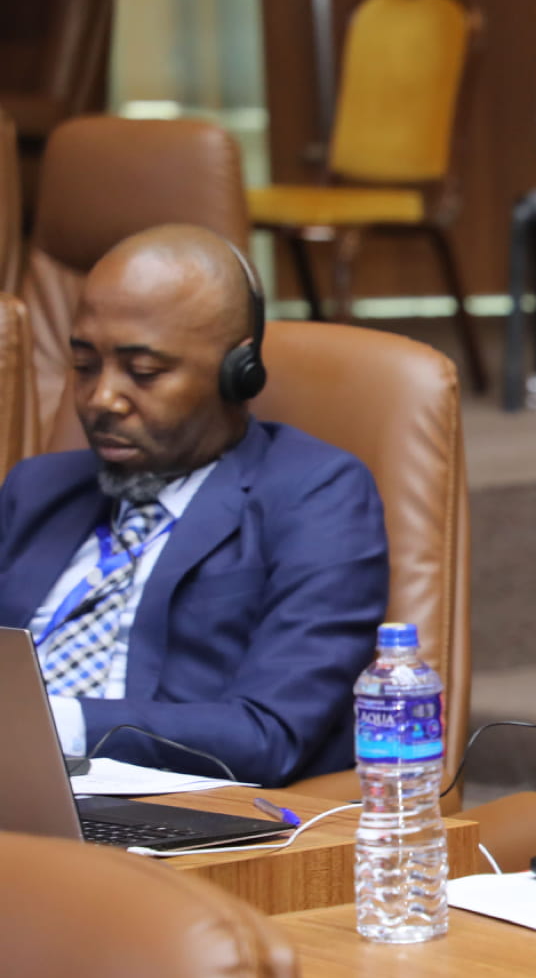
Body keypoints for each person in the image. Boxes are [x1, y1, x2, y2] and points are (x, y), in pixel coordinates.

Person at [0, 224, 388, 785]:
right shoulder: (37, 489)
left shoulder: (315, 495)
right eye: (84, 365)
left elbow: (270, 734)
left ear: (239, 373)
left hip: (159, 819)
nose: (101, 398)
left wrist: (52, 725)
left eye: (144, 372)